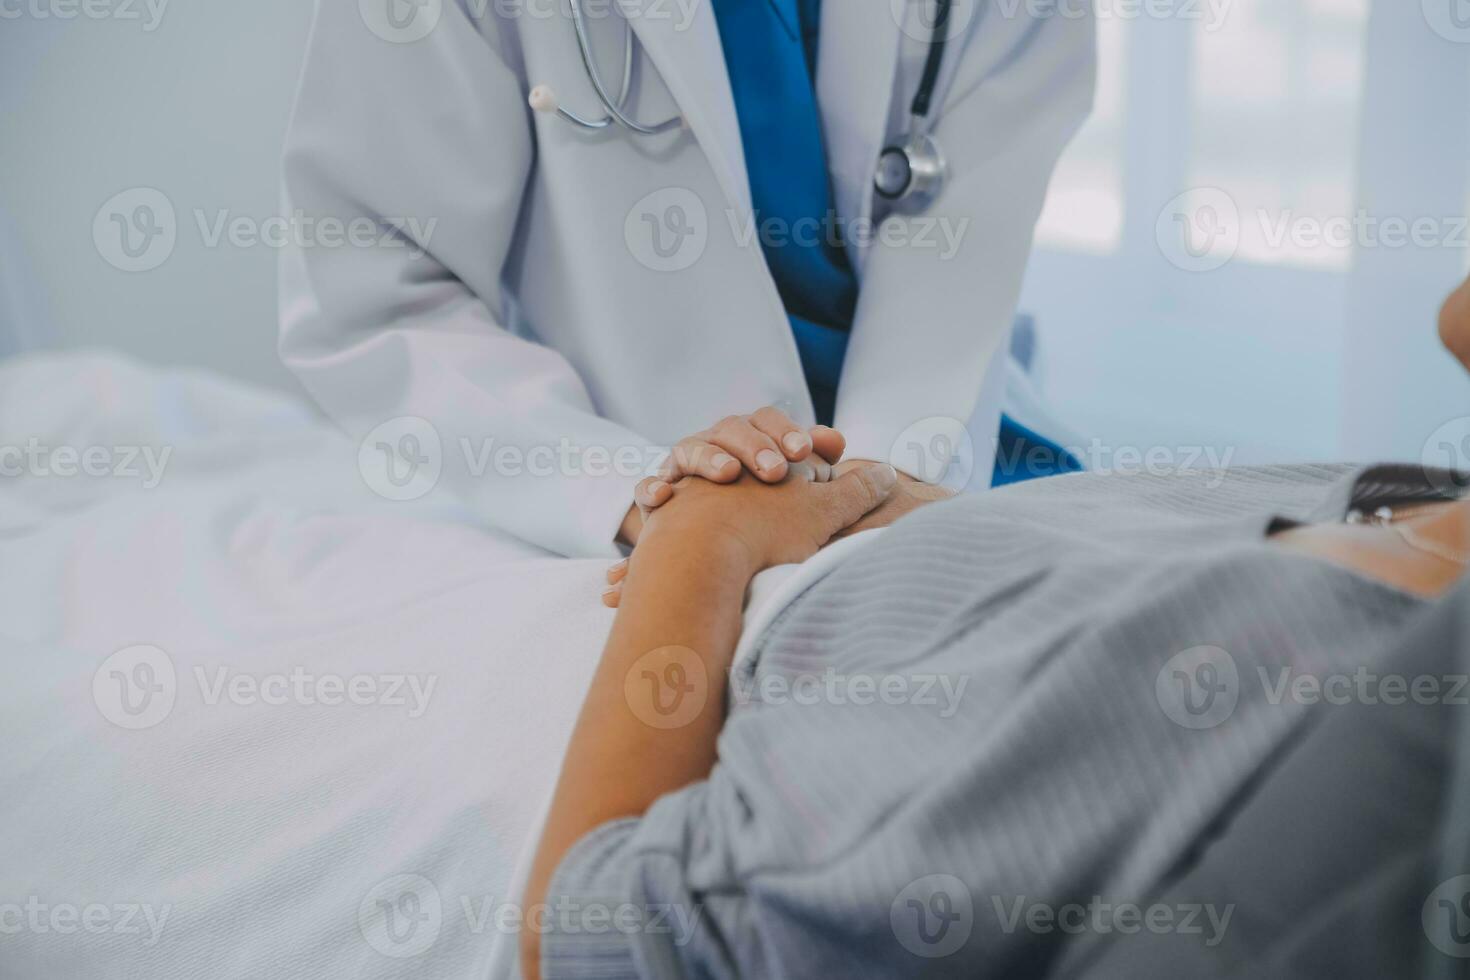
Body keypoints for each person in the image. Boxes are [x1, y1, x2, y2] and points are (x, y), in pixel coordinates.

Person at [519, 272, 1470, 978]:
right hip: (804, 537)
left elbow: (592, 942)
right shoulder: (1422, 503)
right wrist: (900, 503)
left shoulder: (1263, 664)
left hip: (637, 667)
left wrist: (699, 542)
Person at [278, 0, 1095, 559]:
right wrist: (633, 492)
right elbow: (375, 294)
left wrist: (867, 512)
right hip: (624, 472)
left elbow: (965, 241)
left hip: (952, 448)